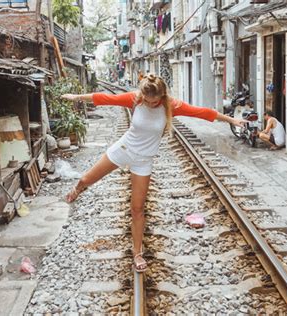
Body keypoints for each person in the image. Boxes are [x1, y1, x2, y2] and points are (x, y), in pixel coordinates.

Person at [61, 74, 246, 272]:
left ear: (162, 96)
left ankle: (137, 252)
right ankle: (77, 189)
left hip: (143, 162)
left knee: (137, 209)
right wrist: (77, 97)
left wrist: (231, 120)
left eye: (154, 101)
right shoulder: (135, 98)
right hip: (123, 150)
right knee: (85, 179)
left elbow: (201, 113)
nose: (150, 104)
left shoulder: (171, 105)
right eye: (147, 100)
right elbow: (105, 98)